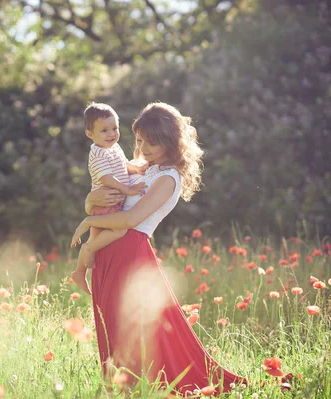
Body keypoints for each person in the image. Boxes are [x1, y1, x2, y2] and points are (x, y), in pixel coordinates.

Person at [71, 102, 246, 395]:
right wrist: (90, 204)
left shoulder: (167, 178)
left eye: (152, 142)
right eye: (139, 140)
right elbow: (101, 197)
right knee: (111, 325)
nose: (144, 147)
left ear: (171, 142)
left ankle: (144, 389)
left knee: (131, 329)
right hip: (110, 248)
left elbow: (130, 218)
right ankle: (121, 389)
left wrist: (88, 220)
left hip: (130, 252)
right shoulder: (145, 167)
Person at [72, 102, 148, 295]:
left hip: (113, 202)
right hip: (106, 202)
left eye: (114, 128)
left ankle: (79, 273)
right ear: (90, 135)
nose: (111, 134)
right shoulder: (97, 153)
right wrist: (128, 189)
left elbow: (123, 166)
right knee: (119, 229)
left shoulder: (114, 149)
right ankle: (88, 250)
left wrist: (136, 169)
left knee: (97, 236)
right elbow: (106, 177)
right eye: (104, 130)